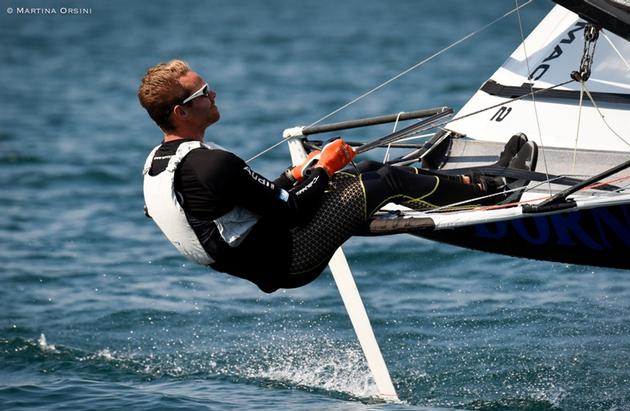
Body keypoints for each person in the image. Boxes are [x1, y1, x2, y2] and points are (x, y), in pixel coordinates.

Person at [138, 60, 536, 293]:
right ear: (181, 112)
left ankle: (466, 187)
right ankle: (494, 192)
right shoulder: (213, 163)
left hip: (264, 257)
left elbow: (249, 203)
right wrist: (324, 168)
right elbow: (292, 210)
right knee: (383, 182)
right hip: (290, 260)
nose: (214, 93)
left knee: (365, 171)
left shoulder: (162, 160)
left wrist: (296, 173)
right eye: (203, 92)